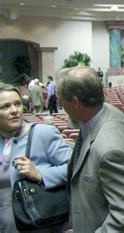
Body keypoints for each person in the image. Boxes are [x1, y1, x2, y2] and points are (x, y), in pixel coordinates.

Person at [57, 66, 124, 232]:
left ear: (75, 102)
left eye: (60, 100)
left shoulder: (109, 150)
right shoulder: (107, 112)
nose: (59, 104)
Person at [0, 83, 72, 232]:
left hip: (38, 225)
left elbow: (74, 167)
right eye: (5, 107)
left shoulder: (43, 133)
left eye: (17, 104)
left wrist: (40, 174)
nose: (14, 110)